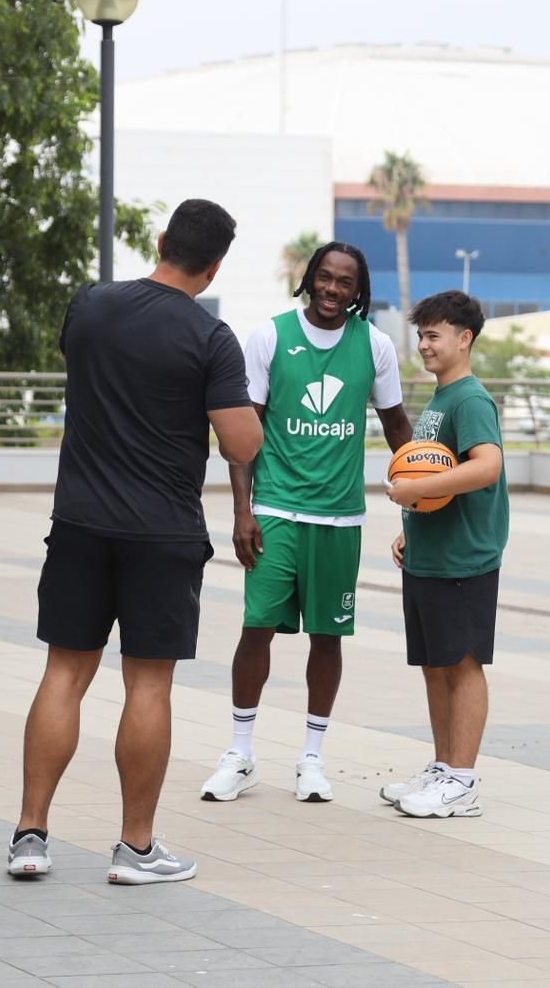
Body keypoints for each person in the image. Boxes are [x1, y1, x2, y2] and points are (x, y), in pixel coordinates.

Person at [8, 199, 261, 885]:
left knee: (64, 674)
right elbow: (242, 443)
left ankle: (30, 837)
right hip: (162, 533)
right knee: (147, 685)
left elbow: (83, 366)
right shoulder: (211, 337)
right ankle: (135, 849)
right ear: (214, 268)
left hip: (79, 523)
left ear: (160, 240)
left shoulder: (90, 306)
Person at [199, 242, 411, 805]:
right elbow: (244, 433)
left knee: (328, 636)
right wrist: (242, 510)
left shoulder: (375, 345)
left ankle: (311, 758)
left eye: (345, 282)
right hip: (275, 509)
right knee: (256, 628)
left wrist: (422, 498)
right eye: (324, 277)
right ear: (310, 278)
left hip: (339, 516)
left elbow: (397, 428)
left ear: (358, 291)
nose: (332, 289)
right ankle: (240, 753)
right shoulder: (270, 336)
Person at [382, 291, 508, 819]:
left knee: (462, 663)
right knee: (435, 665)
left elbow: (487, 465)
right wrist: (411, 526)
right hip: (429, 555)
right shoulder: (440, 400)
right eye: (421, 335)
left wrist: (415, 491)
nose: (424, 345)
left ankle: (463, 779)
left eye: (434, 335)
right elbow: (433, 472)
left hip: (464, 558)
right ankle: (442, 767)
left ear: (464, 338)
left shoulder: (470, 400)